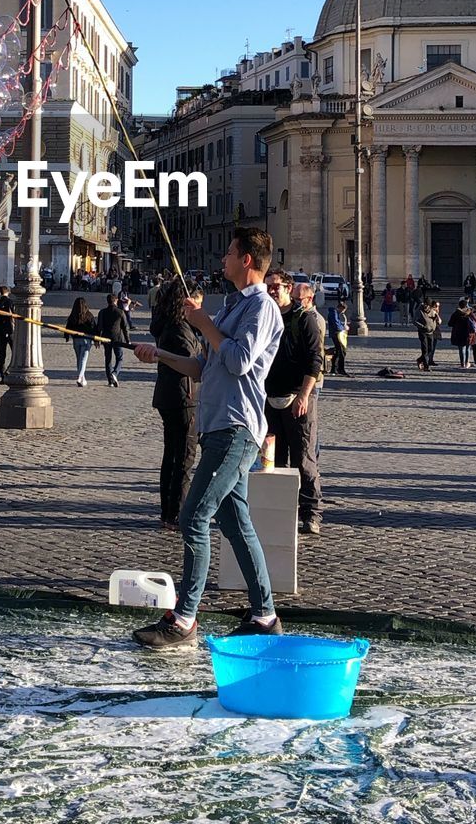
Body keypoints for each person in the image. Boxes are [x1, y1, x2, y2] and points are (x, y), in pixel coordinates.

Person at [130, 227, 284, 649]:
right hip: (217, 424)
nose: (222, 260)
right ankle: (265, 615)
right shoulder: (234, 307)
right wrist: (159, 354)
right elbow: (202, 368)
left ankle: (183, 620)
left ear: (247, 260)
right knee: (236, 524)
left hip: (236, 428)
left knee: (193, 516)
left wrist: (202, 321)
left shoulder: (263, 308)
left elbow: (236, 361)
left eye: (229, 253)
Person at [262, 275, 324, 536]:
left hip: (297, 399)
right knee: (273, 459)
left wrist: (304, 396)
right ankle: (282, 510)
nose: (273, 291)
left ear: (288, 288)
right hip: (269, 398)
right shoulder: (265, 317)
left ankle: (311, 513)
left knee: (303, 459)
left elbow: (315, 361)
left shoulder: (305, 319)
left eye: (277, 286)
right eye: (269, 287)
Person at [149, 277, 201, 530]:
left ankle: (167, 512)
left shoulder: (166, 323)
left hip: (168, 395)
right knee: (183, 457)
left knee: (171, 455)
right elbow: (192, 363)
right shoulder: (180, 328)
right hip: (184, 397)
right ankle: (177, 512)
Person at [97, 292, 131, 388]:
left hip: (105, 338)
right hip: (118, 338)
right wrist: (128, 340)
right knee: (119, 358)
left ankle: (110, 381)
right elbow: (125, 327)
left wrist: (97, 338)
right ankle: (115, 373)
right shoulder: (120, 312)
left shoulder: (102, 312)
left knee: (108, 359)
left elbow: (99, 327)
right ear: (115, 301)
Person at [65, 297, 97, 387]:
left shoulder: (73, 315)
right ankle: (80, 376)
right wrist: (96, 340)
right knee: (83, 359)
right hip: (86, 340)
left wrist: (67, 336)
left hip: (76, 340)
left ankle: (83, 379)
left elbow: (68, 327)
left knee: (79, 359)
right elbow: (93, 328)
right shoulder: (89, 315)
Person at [0, 286, 14, 381]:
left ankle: (3, 376)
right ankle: (9, 369)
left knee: (2, 354)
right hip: (10, 331)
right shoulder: (11, 302)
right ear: (8, 292)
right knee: (16, 352)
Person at [414, 298, 439, 371]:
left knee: (430, 349)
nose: (426, 306)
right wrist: (422, 326)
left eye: (428, 305)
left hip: (431, 332)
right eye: (425, 304)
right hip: (423, 332)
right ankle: (426, 366)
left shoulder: (432, 310)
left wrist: (436, 319)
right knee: (425, 350)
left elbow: (437, 319)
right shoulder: (419, 310)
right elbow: (414, 321)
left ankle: (419, 360)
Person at [448, 300, 473, 369]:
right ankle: (467, 362)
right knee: (468, 348)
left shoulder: (456, 313)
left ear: (459, 305)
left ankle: (462, 364)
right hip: (468, 333)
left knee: (461, 349)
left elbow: (450, 323)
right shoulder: (469, 313)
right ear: (466, 305)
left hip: (458, 332)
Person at [326, 297, 348, 375]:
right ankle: (339, 368)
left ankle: (334, 368)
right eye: (343, 311)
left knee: (338, 351)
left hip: (336, 333)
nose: (342, 312)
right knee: (341, 351)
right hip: (336, 334)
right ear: (340, 308)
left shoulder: (335, 313)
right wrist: (343, 327)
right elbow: (336, 324)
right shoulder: (334, 313)